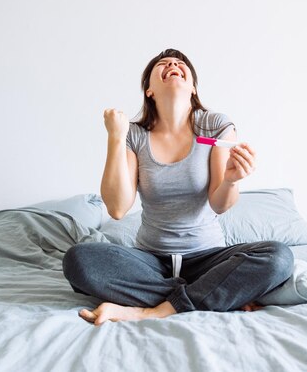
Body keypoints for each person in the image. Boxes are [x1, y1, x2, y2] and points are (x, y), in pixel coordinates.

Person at [62, 48, 294, 325]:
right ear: (149, 90)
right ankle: (215, 294)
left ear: (193, 88)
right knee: (79, 260)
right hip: (151, 262)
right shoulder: (134, 134)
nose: (173, 64)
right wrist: (116, 137)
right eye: (163, 64)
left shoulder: (215, 126)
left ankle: (155, 309)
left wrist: (231, 179)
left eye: (180, 64)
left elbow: (220, 204)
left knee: (278, 257)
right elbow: (117, 208)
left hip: (209, 259)